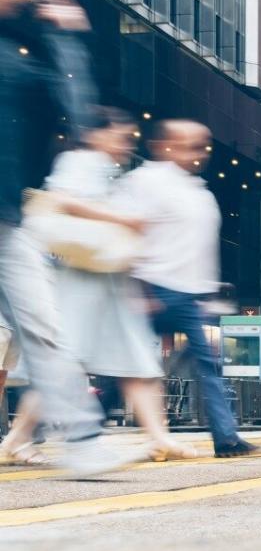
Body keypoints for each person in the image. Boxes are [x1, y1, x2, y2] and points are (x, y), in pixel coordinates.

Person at [0, 0, 125, 475]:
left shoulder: (16, 52)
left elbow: (77, 113)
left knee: (45, 329)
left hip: (9, 222)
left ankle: (82, 438)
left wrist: (59, 25)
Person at [8, 109, 197, 462]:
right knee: (69, 361)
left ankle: (160, 437)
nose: (126, 144)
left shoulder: (108, 170)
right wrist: (123, 218)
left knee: (137, 362)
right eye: (122, 136)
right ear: (97, 135)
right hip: (81, 281)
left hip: (106, 282)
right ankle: (16, 439)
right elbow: (63, 200)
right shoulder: (79, 160)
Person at [120, 120, 259, 459]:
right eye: (190, 145)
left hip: (191, 297)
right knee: (128, 363)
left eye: (202, 146)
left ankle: (226, 439)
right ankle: (83, 424)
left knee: (208, 366)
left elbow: (201, 249)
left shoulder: (200, 192)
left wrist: (210, 292)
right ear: (164, 145)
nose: (199, 154)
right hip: (152, 288)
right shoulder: (144, 181)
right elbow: (129, 234)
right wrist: (136, 288)